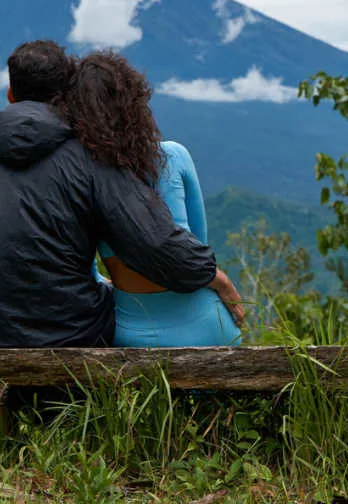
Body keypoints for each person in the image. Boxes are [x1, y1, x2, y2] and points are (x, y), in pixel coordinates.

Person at [0, 39, 243, 348]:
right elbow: (156, 242)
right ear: (67, 97)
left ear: (9, 94)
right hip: (64, 328)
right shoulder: (91, 159)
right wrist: (214, 276)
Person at [59, 50, 244, 347]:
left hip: (133, 335)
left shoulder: (81, 174)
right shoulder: (174, 156)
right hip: (209, 329)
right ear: (136, 104)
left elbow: (82, 265)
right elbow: (196, 246)